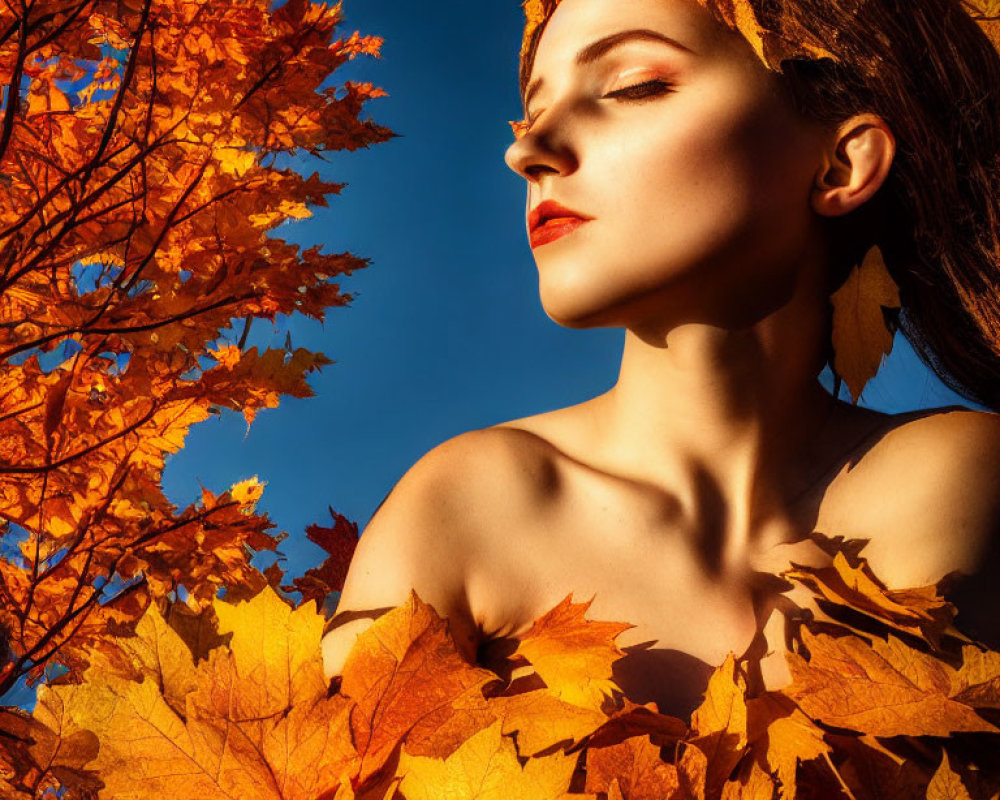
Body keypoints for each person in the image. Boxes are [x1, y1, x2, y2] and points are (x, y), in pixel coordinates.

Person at [322, 0, 1000, 717]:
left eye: (631, 86)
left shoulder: (959, 482)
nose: (527, 151)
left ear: (841, 163)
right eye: (533, 110)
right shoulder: (468, 510)